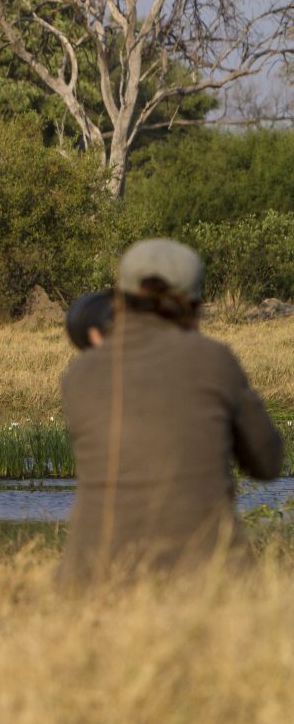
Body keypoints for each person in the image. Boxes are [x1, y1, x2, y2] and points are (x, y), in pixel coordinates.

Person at [59, 238, 284, 585]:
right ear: (193, 305)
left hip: (95, 580)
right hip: (209, 577)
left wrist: (102, 354)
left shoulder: (80, 374)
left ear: (118, 300)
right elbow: (267, 464)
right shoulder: (214, 359)